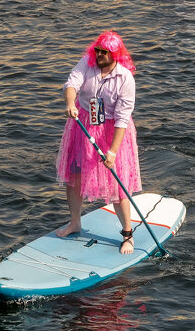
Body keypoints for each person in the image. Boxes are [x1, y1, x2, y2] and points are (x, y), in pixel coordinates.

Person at [56, 31, 142, 255]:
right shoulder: (87, 62)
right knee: (74, 176)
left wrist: (112, 152)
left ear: (115, 55)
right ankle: (75, 223)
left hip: (114, 131)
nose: (100, 55)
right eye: (98, 50)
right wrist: (70, 103)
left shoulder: (125, 79)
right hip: (83, 124)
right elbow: (71, 83)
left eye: (105, 52)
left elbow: (123, 119)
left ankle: (127, 235)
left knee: (117, 186)